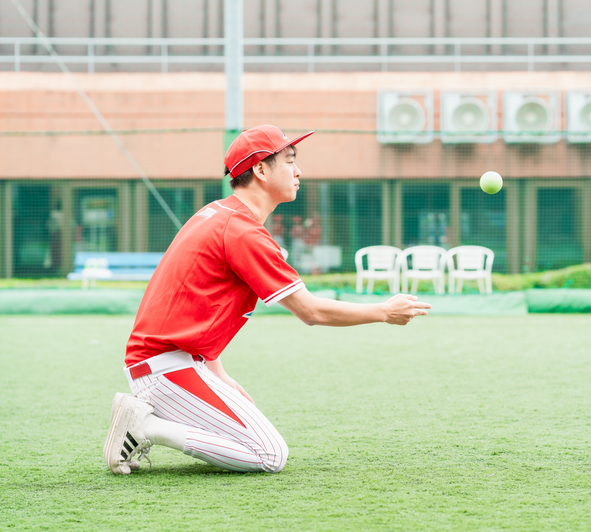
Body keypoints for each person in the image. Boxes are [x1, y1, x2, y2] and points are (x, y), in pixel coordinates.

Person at [103, 125, 431, 475]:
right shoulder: (241, 230)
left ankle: (147, 421)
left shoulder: (220, 213)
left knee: (249, 429)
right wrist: (383, 311)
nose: (298, 171)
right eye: (289, 161)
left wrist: (218, 374)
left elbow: (198, 307)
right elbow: (311, 311)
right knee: (269, 455)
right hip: (165, 368)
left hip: (171, 362)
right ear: (260, 169)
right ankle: (145, 426)